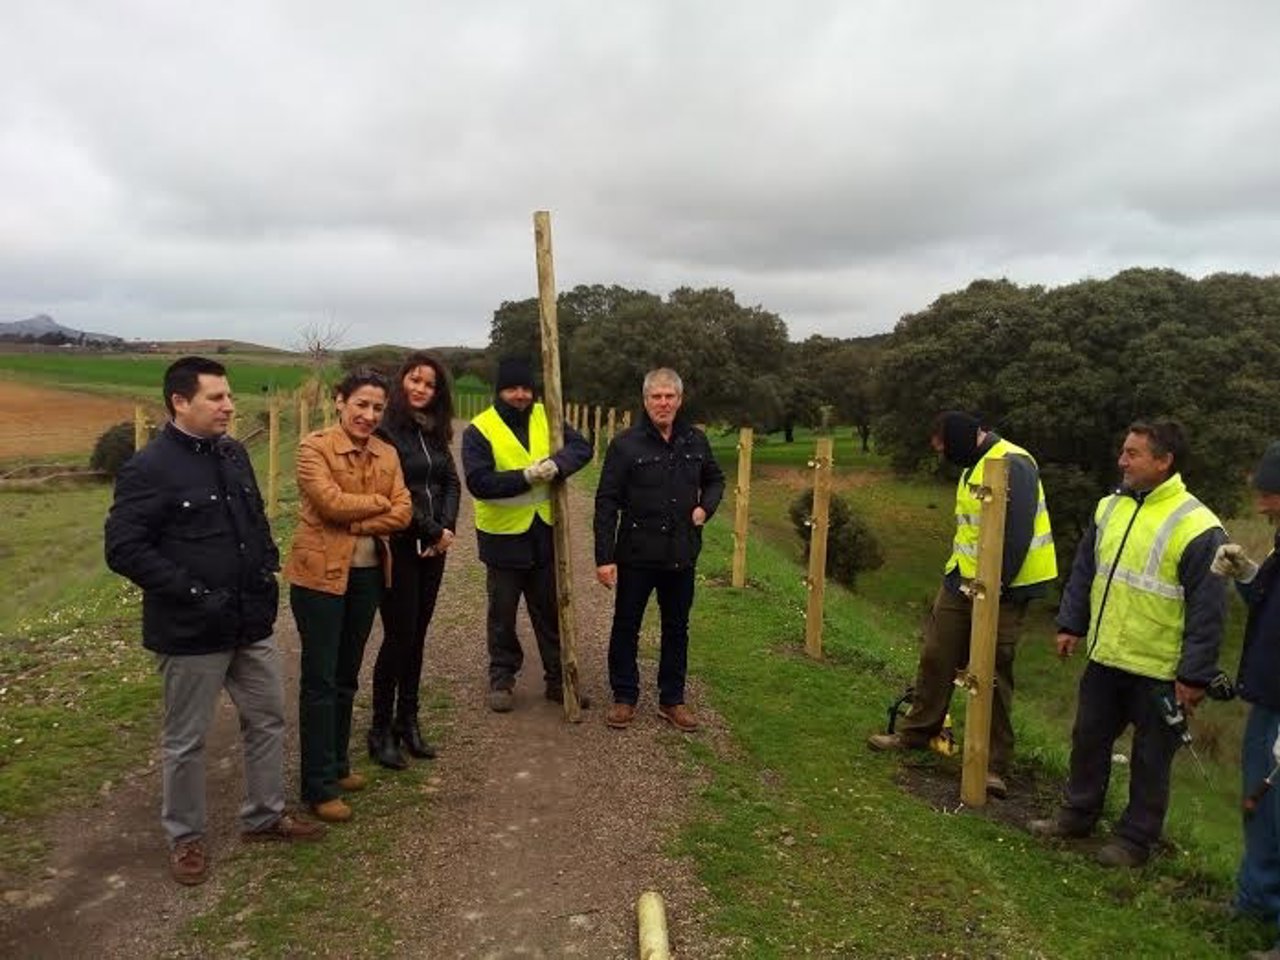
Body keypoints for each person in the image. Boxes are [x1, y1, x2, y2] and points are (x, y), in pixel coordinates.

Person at [104, 356, 325, 886]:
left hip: (249, 620)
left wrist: (267, 566)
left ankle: (264, 816)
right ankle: (186, 838)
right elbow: (124, 548)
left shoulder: (231, 453)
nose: (229, 405)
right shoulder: (148, 468)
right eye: (216, 397)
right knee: (186, 740)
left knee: (268, 718)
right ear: (180, 402)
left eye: (229, 396)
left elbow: (251, 520)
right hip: (190, 631)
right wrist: (194, 592)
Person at [1029, 419, 1227, 867]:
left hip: (1160, 670)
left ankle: (1135, 841)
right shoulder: (1108, 508)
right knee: (1088, 738)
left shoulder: (1199, 527)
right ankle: (1077, 816)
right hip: (1107, 657)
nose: (1122, 461)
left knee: (1151, 759)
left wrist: (1194, 675)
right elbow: (1085, 571)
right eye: (1123, 451)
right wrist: (1070, 623)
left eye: (1133, 454)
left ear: (1164, 461)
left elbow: (1209, 611)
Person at [867, 411, 1057, 797]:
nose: (941, 454)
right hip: (961, 580)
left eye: (942, 446)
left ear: (957, 437)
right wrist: (962, 581)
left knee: (991, 671)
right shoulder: (971, 466)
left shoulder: (1013, 463)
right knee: (937, 654)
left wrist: (993, 588)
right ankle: (917, 733)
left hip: (1004, 588)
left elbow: (1016, 535)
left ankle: (992, 764)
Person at [284, 369, 411, 822]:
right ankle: (317, 786)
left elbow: (404, 512)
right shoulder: (313, 447)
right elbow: (328, 503)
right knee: (319, 680)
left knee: (346, 674)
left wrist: (359, 518)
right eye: (360, 404)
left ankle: (337, 765)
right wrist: (378, 505)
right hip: (318, 576)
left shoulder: (387, 454)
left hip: (367, 576)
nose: (369, 415)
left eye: (377, 408)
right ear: (340, 401)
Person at [594, 368, 725, 733]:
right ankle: (624, 696)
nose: (663, 403)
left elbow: (715, 479)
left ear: (679, 401)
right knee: (626, 625)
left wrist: (706, 508)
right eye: (657, 396)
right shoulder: (625, 445)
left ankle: (672, 700)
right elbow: (606, 502)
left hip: (681, 552)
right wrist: (604, 558)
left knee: (676, 627)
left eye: (670, 396)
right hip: (636, 552)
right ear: (646, 400)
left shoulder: (696, 441)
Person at [461, 356, 591, 712]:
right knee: (502, 613)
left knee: (550, 610)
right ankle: (502, 678)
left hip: (543, 534)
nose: (520, 395)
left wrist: (558, 464)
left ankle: (558, 681)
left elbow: (582, 447)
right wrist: (525, 477)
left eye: (525, 389)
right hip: (502, 539)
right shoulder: (480, 430)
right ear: (499, 391)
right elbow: (479, 482)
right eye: (512, 388)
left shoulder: (544, 417)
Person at [369, 352, 460, 769]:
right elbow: (393, 492)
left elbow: (450, 482)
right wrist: (429, 530)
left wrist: (445, 529)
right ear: (401, 382)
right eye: (415, 380)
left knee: (419, 635)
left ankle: (409, 721)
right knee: (398, 636)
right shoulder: (386, 432)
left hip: (432, 547)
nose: (422, 389)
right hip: (399, 546)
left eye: (430, 384)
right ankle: (380, 729)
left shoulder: (436, 432)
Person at [1211, 442, 1280, 949]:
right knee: (1258, 802)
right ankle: (1254, 902)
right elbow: (1268, 602)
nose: (1260, 498)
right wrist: (1249, 574)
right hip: (1269, 700)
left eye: (1270, 490)